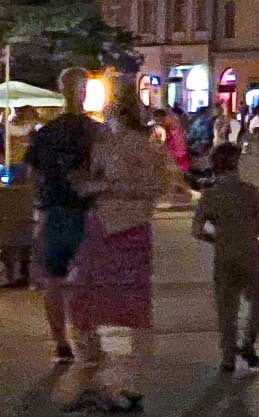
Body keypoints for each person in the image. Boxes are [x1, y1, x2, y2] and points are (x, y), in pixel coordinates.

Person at [67, 88, 171, 413]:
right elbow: (160, 186)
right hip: (122, 225)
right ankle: (120, 381)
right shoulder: (136, 146)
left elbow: (149, 187)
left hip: (114, 226)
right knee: (129, 306)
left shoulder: (121, 146)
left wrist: (105, 187)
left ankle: (102, 376)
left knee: (93, 299)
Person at [25, 98, 102, 366]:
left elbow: (33, 175)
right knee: (88, 279)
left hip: (54, 209)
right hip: (86, 211)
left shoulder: (46, 133)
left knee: (53, 279)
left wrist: (40, 202)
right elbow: (105, 171)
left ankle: (61, 341)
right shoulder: (94, 131)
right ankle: (87, 335)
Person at [193, 143, 259, 373]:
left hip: (224, 253)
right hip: (250, 251)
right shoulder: (250, 192)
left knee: (227, 307)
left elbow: (196, 230)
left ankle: (228, 357)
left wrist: (217, 238)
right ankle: (249, 343)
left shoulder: (210, 195)